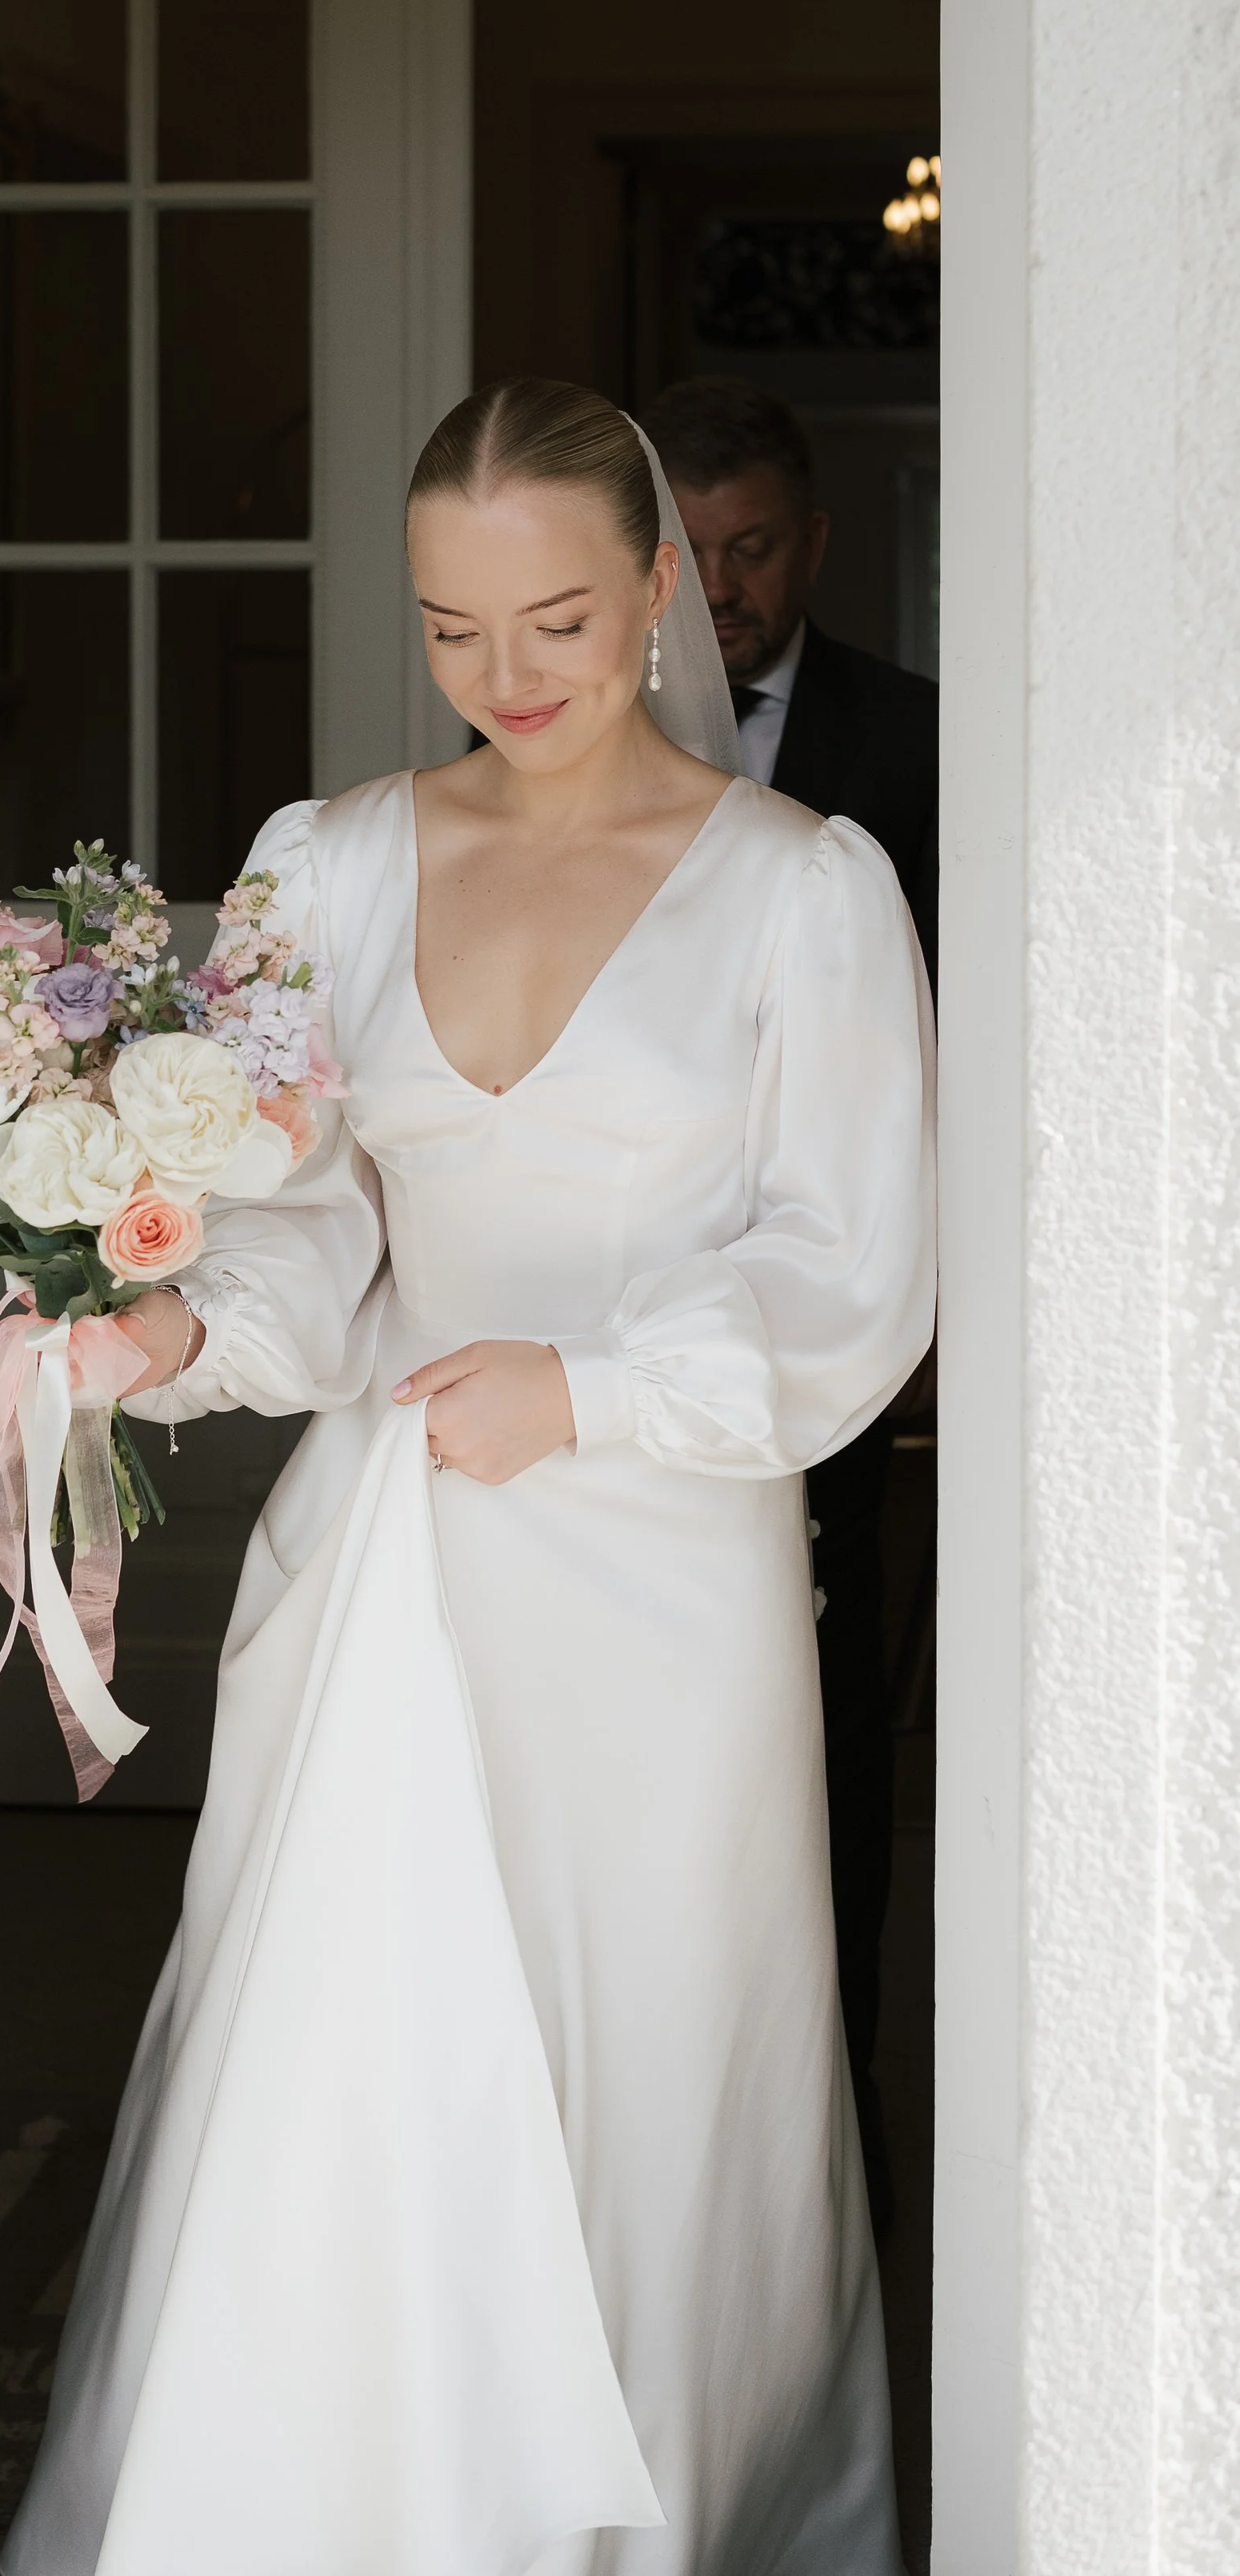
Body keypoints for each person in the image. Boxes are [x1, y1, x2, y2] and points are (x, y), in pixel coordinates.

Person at [3, 379, 934, 2576]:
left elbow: (856, 1267)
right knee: (348, 2049)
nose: (506, 682)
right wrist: (154, 1330)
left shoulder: (803, 892)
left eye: (555, 622)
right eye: (449, 630)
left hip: (661, 1577)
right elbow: (305, 1230)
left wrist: (593, 1391)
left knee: (648, 2041)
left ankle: (663, 2507)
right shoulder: (323, 863)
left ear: (657, 589)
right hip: (388, 1546)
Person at [644, 378, 938, 2242]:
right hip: (605, 1325)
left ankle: (819, 2185)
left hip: (839, 1353)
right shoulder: (522, 766)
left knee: (828, 1766)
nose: (721, 585)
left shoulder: (921, 750)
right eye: (686, 548)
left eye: (751, 545)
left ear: (811, 545)